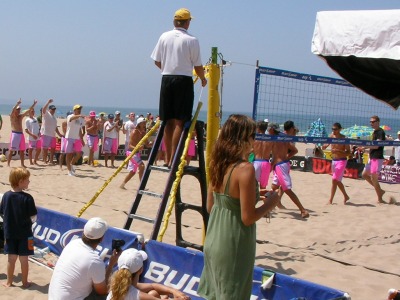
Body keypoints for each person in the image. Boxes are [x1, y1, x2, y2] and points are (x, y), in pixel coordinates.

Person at [197, 115, 279, 299]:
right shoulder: (245, 169)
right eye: (252, 135)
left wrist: (256, 195)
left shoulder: (217, 164)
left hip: (214, 238)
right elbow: (247, 217)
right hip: (234, 243)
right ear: (242, 138)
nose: (255, 140)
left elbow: (212, 206)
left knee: (215, 294)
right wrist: (270, 204)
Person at [151, 8, 207, 168]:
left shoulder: (164, 36)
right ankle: (174, 158)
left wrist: (167, 69)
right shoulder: (192, 39)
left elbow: (156, 60)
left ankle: (168, 158)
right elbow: (198, 66)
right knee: (179, 122)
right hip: (183, 80)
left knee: (167, 121)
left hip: (166, 78)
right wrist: (203, 78)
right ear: (187, 22)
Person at [48, 217, 119, 299]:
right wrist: (111, 265)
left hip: (53, 297)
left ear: (84, 232)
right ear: (102, 239)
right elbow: (102, 291)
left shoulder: (72, 243)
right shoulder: (94, 261)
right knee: (110, 295)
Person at [0, 167, 38, 288]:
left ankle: (9, 282)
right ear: (21, 181)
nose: (29, 182)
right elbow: (33, 217)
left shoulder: (6, 196)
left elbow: (2, 213)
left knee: (11, 259)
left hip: (9, 233)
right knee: (24, 259)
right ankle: (25, 282)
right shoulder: (28, 198)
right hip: (25, 234)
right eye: (28, 180)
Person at [107, 248, 191, 300]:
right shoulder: (137, 295)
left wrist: (173, 291)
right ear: (141, 269)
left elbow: (152, 285)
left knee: (153, 293)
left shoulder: (117, 285)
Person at [268, 121, 309, 218]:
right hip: (283, 164)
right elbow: (295, 150)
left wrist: (270, 166)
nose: (268, 131)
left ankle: (303, 210)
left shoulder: (274, 139)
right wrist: (286, 156)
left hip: (280, 166)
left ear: (272, 130)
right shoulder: (284, 137)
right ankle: (269, 207)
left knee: (287, 189)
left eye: (269, 130)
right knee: (274, 187)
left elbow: (275, 156)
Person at [322, 123, 351, 204]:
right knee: (337, 180)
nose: (333, 131)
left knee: (334, 179)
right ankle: (346, 196)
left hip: (342, 160)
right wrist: (324, 146)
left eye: (335, 129)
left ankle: (330, 200)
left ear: (340, 129)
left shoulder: (344, 138)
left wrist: (339, 151)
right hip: (334, 160)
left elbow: (349, 152)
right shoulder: (331, 136)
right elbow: (326, 144)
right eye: (332, 129)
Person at [360, 115, 386, 204]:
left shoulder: (380, 132)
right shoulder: (375, 132)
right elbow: (373, 147)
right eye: (370, 122)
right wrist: (364, 149)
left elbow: (377, 146)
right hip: (372, 157)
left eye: (373, 121)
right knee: (364, 175)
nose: (371, 123)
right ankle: (380, 191)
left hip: (377, 158)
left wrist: (365, 146)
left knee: (374, 178)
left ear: (378, 122)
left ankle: (380, 198)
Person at [120, 118, 150, 189]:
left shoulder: (143, 133)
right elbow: (129, 145)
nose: (145, 124)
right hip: (131, 153)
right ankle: (142, 186)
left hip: (136, 153)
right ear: (139, 124)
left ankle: (122, 185)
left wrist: (153, 143)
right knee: (142, 166)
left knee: (133, 172)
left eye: (145, 123)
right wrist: (138, 148)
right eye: (143, 123)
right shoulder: (134, 132)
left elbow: (147, 144)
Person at [7, 99, 37, 167]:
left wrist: (34, 104)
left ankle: (22, 164)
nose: (18, 110)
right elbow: (12, 111)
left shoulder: (20, 116)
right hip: (15, 133)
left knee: (22, 150)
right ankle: (8, 164)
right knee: (12, 150)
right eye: (17, 109)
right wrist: (17, 104)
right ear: (14, 110)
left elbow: (29, 110)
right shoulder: (12, 116)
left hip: (21, 134)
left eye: (19, 109)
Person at [40, 99, 63, 164]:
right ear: (49, 109)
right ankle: (44, 160)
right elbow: (43, 109)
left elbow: (55, 127)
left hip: (52, 135)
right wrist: (48, 102)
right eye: (52, 109)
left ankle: (51, 160)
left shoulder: (54, 118)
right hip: (45, 134)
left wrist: (59, 134)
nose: (53, 111)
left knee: (53, 148)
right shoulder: (46, 114)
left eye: (54, 109)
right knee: (45, 149)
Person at [65, 104, 86, 176]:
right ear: (74, 110)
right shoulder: (70, 116)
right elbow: (71, 119)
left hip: (77, 138)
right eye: (78, 109)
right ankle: (69, 171)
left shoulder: (81, 119)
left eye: (80, 109)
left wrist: (82, 139)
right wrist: (80, 116)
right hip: (69, 137)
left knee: (79, 154)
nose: (79, 110)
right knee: (69, 154)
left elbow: (80, 129)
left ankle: (71, 164)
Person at [252, 120, 272, 189]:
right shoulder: (270, 139)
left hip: (256, 162)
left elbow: (250, 151)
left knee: (253, 187)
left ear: (258, 128)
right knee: (263, 188)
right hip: (266, 163)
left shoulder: (254, 139)